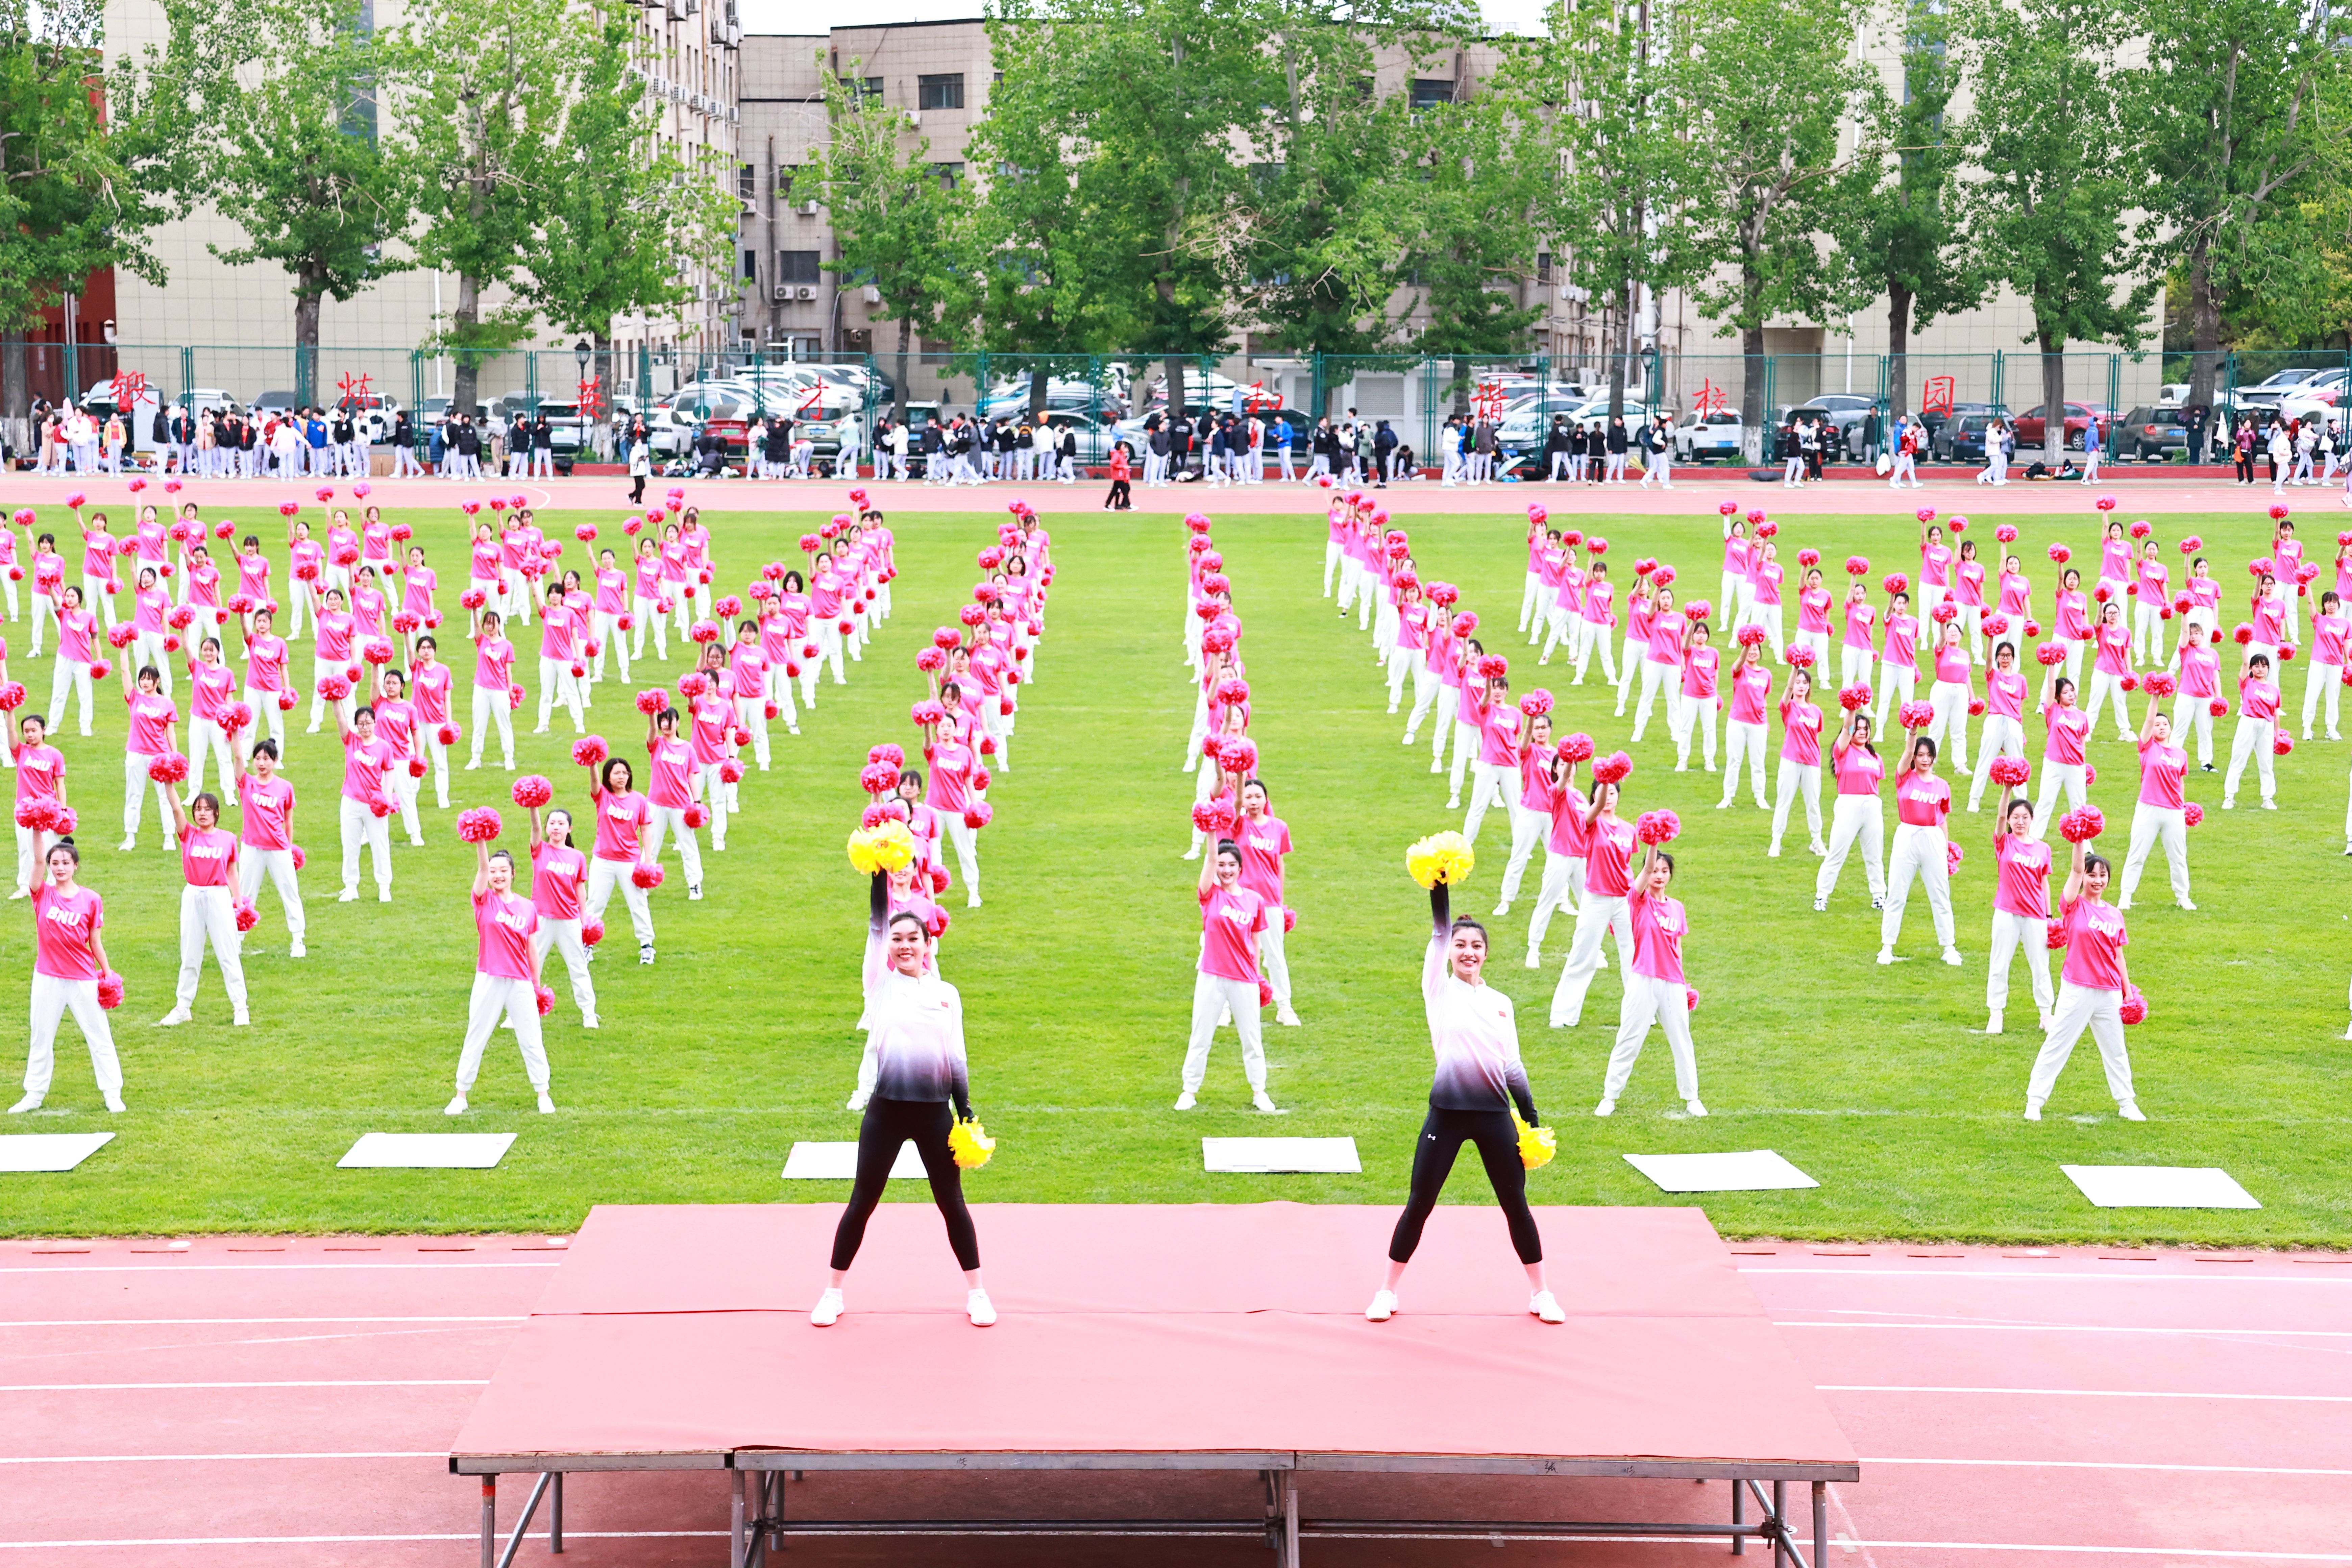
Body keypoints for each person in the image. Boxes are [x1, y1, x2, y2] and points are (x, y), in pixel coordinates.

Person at [1365, 872, 1561, 1326]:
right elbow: (1438, 929)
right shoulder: (1438, 990)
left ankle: (1542, 1294)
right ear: (1449, 954)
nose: (1468, 952)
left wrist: (1531, 1119)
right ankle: (1386, 1291)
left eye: (1476, 946)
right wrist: (1440, 885)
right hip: (1447, 1115)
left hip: (1495, 1116)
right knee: (1420, 1203)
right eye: (1460, 946)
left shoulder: (1501, 1003)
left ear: (1486, 953)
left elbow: (1513, 1065)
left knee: (1517, 1206)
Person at [811, 868, 991, 1330]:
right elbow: (875, 923)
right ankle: (833, 1292)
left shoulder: (948, 996)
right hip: (886, 1112)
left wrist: (965, 1112)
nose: (904, 945)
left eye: (914, 938)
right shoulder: (880, 985)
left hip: (934, 1116)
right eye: (897, 939)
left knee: (952, 1203)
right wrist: (880, 872)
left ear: (930, 944)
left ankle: (978, 1294)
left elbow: (957, 1057)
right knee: (863, 1201)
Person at [2024, 832, 2143, 1122]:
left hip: (2109, 992)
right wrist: (2080, 838)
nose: (2098, 880)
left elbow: (2119, 954)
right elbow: (2076, 869)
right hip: (2078, 988)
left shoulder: (2115, 915)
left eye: (2103, 875)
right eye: (2093, 875)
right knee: (2058, 1044)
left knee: (2116, 1051)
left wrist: (2128, 993)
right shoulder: (2074, 906)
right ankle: (2035, 1102)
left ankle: (2127, 1103)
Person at [8, 827, 122, 1114]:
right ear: (49, 866)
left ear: (75, 866)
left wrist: (107, 973)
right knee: (41, 1037)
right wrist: (37, 829)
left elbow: (95, 941)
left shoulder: (92, 899)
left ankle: (112, 1094)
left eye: (65, 863)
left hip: (83, 978)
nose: (59, 868)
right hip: (47, 977)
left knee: (99, 1036)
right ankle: (34, 1094)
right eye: (55, 863)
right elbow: (35, 860)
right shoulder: (41, 894)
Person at [448, 838, 554, 1116]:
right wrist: (481, 839)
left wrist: (536, 984)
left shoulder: (527, 908)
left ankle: (543, 1093)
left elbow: (532, 948)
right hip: (489, 978)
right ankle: (461, 1094)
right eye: (494, 871)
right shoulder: (483, 901)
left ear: (513, 874)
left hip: (519, 981)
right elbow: (482, 868)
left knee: (532, 1038)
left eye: (503, 871)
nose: (497, 875)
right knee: (476, 1035)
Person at [1176, 836, 1277, 1112]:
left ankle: (1259, 1092)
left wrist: (1257, 977)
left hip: (1244, 979)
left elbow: (1255, 942)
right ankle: (1189, 1090)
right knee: (1201, 1035)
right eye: (1221, 864)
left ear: (1240, 868)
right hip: (1211, 975)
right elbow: (1209, 860)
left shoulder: (1254, 901)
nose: (1226, 869)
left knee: (1252, 1039)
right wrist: (1211, 832)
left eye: (1232, 864)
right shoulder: (1210, 895)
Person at [1548, 774, 1636, 1028]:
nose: (1607, 797)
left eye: (1612, 792)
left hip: (1623, 900)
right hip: (1596, 898)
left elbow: (1628, 865)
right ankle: (1563, 1015)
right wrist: (1607, 778)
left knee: (1633, 956)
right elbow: (1595, 810)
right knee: (1583, 955)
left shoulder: (1629, 830)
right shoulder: (1590, 822)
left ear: (1619, 796)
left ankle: (1639, 1012)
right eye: (1602, 792)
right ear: (1594, 796)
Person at [159, 788, 248, 1027]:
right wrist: (168, 783)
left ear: (217, 813)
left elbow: (231, 872)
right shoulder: (188, 835)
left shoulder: (228, 839)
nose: (202, 814)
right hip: (192, 895)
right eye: (198, 810)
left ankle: (240, 1007)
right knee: (190, 954)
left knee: (228, 954)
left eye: (207, 809)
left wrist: (239, 904)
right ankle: (183, 1007)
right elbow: (176, 808)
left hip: (219, 896)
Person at [1877, 733, 1962, 966]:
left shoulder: (1942, 786)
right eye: (1920, 755)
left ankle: (1949, 947)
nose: (1925, 760)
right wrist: (1913, 731)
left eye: (1929, 756)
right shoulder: (1905, 777)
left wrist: (1946, 847)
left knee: (1940, 893)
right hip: (1907, 835)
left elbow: (1942, 817)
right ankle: (1887, 947)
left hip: (1933, 837)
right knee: (1896, 892)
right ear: (1914, 757)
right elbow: (1906, 752)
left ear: (1934, 758)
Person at [2116, 692, 2193, 912]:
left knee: (2178, 857)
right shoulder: (2148, 747)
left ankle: (2183, 897)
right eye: (2157, 724)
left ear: (2171, 728)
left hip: (2174, 811)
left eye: (2165, 724)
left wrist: (2184, 807)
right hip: (2148, 807)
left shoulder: (2181, 754)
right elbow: (2149, 720)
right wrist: (2156, 696)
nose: (2160, 727)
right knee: (2137, 854)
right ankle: (2126, 896)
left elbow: (2180, 782)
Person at [526, 801, 597, 1029]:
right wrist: (533, 807)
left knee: (578, 967)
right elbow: (535, 828)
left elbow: (580, 888)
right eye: (552, 823)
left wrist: (583, 918)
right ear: (547, 828)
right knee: (530, 966)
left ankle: (589, 1014)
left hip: (568, 920)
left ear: (570, 829)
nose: (556, 827)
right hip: (541, 919)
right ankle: (520, 1013)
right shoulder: (540, 850)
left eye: (561, 823)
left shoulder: (577, 857)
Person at [1234, 779, 1299, 1028]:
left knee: (1275, 955)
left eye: (1258, 796)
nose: (1253, 802)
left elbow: (1279, 863)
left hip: (1270, 901)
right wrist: (1241, 775)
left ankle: (1285, 1007)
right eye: (1248, 797)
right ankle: (1231, 1007)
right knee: (1239, 952)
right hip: (1242, 900)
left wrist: (1280, 900)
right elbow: (1236, 802)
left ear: (1266, 799)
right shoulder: (1239, 825)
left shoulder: (1279, 828)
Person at [586, 753, 658, 963]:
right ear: (608, 777)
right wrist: (592, 764)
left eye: (624, 773)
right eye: (616, 773)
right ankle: (586, 945)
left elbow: (645, 830)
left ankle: (647, 946)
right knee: (595, 905)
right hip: (603, 861)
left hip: (630, 862)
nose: (621, 777)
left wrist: (648, 860)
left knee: (638, 904)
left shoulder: (638, 800)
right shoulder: (602, 796)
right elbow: (594, 782)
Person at [1814, 707, 1886, 910]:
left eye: (1866, 729)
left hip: (1872, 806)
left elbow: (1875, 784)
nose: (1862, 732)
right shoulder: (1843, 751)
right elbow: (1847, 726)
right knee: (1837, 854)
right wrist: (1853, 707)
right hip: (1849, 804)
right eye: (1858, 728)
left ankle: (1879, 896)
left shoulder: (1876, 758)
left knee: (1874, 855)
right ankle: (1822, 896)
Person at [332, 696, 395, 903]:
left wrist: (388, 798)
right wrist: (335, 701)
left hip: (374, 804)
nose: (365, 727)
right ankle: (351, 886)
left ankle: (384, 886)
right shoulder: (352, 741)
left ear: (375, 723)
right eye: (361, 724)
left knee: (380, 845)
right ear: (356, 725)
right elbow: (340, 720)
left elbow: (390, 772)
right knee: (350, 845)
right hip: (351, 801)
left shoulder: (384, 747)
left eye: (368, 723)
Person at [1767, 663, 1827, 856]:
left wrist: (1818, 767)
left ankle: (1817, 841)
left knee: (1813, 804)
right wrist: (1795, 668)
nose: (1801, 686)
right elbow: (1787, 692)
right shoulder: (1789, 707)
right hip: (1790, 761)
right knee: (1784, 802)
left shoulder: (1816, 711)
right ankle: (1776, 841)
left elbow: (1816, 740)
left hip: (1811, 763)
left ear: (1809, 686)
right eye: (1798, 682)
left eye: (1805, 683)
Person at [2027, 676, 2092, 837]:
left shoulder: (2082, 717)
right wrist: (2052, 665)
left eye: (2072, 691)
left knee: (2079, 806)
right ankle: (2034, 837)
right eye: (2065, 692)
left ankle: (2083, 843)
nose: (2071, 694)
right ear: (2058, 696)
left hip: (2076, 766)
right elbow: (2050, 687)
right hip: (2054, 764)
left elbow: (2082, 743)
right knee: (2045, 802)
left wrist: (2083, 766)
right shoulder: (2053, 710)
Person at [1718, 634, 1773, 811]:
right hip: (1738, 721)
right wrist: (1746, 645)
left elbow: (1763, 699)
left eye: (1755, 650)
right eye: (1750, 650)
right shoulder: (1740, 670)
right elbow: (1739, 663)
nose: (1752, 652)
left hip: (1758, 723)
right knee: (1734, 760)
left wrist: (1767, 722)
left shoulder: (1766, 674)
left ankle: (1760, 797)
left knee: (1758, 762)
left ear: (1760, 653)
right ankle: (1728, 796)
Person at [2221, 651, 2280, 810]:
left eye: (2264, 666)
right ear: (2251, 669)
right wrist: (2245, 645)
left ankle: (2268, 798)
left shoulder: (2274, 690)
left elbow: (2275, 713)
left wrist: (2278, 733)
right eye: (2257, 666)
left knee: (2267, 763)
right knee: (2238, 759)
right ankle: (2229, 797)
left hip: (2266, 725)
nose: (2260, 669)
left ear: (2268, 669)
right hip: (2248, 722)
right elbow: (2245, 664)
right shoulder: (2247, 683)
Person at [466, 609, 518, 770]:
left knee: (505, 725)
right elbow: (476, 627)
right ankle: (476, 758)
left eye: (492, 623)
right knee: (479, 725)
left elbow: (508, 670)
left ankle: (509, 758)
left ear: (499, 625)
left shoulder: (507, 645)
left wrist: (510, 691)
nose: (489, 627)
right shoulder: (481, 641)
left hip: (500, 690)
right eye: (487, 623)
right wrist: (475, 611)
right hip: (481, 688)